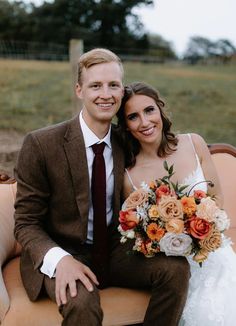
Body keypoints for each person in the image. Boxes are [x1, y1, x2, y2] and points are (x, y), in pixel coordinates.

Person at [14, 48, 190, 326]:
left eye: (113, 85)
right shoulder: (41, 144)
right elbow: (25, 222)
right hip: (63, 251)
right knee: (81, 303)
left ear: (122, 92)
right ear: (79, 90)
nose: (105, 94)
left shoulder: (127, 140)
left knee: (176, 270)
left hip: (115, 250)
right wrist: (60, 261)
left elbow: (163, 150)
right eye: (95, 85)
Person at [116, 81, 236, 326]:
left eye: (149, 110)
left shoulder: (194, 143)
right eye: (133, 117)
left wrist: (198, 229)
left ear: (160, 110)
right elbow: (137, 232)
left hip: (212, 251)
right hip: (174, 261)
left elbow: (217, 198)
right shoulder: (128, 175)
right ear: (126, 126)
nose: (145, 122)